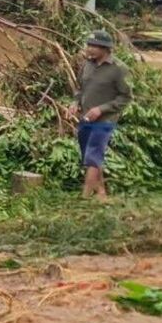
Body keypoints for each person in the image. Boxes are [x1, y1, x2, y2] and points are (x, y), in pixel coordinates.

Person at [71, 31, 132, 200]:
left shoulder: (119, 69)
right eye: (88, 45)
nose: (88, 49)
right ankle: (101, 193)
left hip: (105, 121)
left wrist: (102, 109)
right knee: (90, 158)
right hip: (85, 118)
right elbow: (79, 88)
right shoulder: (87, 65)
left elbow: (125, 97)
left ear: (105, 49)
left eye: (93, 46)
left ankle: (84, 197)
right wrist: (75, 102)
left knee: (93, 156)